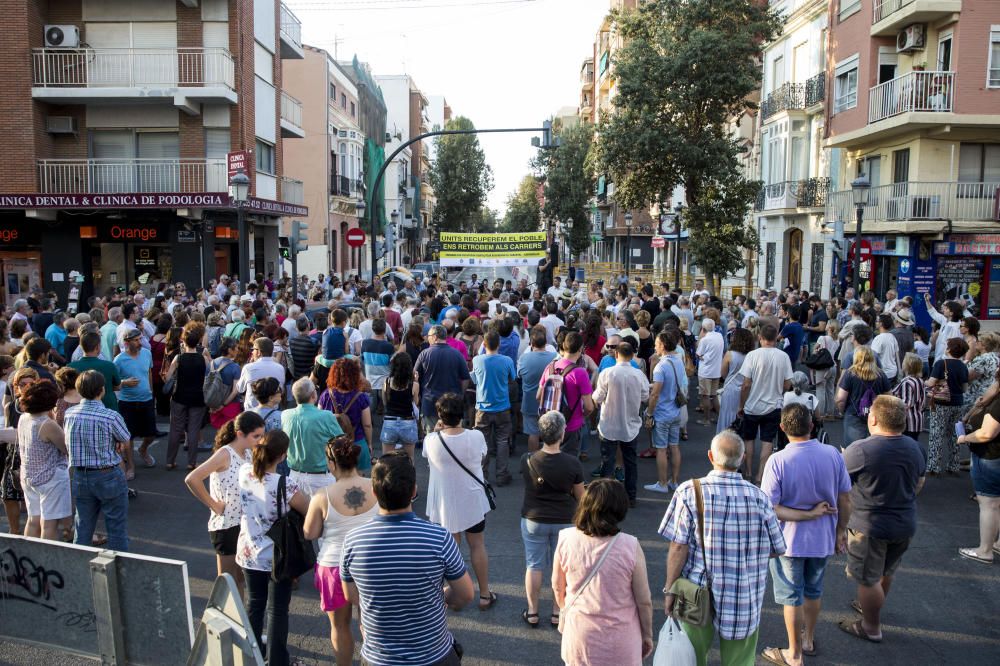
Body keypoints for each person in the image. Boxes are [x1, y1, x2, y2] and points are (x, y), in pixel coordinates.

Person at [660, 431, 786, 666]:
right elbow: (778, 548)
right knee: (739, 660)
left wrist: (670, 589)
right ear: (742, 457)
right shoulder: (759, 498)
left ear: (710, 456)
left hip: (696, 592)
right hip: (744, 594)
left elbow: (678, 547)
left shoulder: (689, 492)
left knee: (692, 657)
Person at [340, 452, 475, 666]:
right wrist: (441, 597)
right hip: (433, 655)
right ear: (414, 491)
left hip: (378, 657)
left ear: (374, 492)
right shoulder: (439, 538)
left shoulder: (353, 541)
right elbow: (466, 594)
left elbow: (351, 595)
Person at [759, 404, 851, 666]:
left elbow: (770, 507)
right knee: (813, 591)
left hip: (788, 541)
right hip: (823, 537)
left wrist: (806, 514)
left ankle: (794, 653)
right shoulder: (833, 454)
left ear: (782, 428)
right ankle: (808, 639)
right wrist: (841, 530)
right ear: (812, 426)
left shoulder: (777, 461)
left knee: (791, 596)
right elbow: (845, 497)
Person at [839, 395, 926, 643]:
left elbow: (839, 485)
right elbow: (919, 482)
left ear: (873, 418)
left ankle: (870, 626)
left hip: (870, 525)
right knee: (886, 571)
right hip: (904, 523)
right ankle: (870, 607)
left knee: (868, 578)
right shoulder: (915, 448)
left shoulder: (861, 449)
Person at [552, 478, 653, 665]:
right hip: (621, 638)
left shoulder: (565, 538)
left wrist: (568, 609)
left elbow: (558, 588)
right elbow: (644, 601)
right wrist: (647, 634)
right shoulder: (630, 545)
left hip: (579, 635)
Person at [303, 435, 379, 666]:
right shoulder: (375, 487)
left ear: (331, 463)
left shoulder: (322, 496)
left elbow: (310, 533)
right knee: (371, 625)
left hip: (334, 564)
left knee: (339, 626)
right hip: (370, 564)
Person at [236, 430, 309, 665]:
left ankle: (253, 656)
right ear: (283, 456)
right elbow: (308, 509)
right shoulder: (285, 484)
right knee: (277, 610)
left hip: (248, 551)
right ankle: (278, 660)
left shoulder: (244, 472)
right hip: (278, 555)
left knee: (254, 604)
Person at [422, 393, 496, 610]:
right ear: (463, 413)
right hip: (472, 500)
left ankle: (451, 593)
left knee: (448, 551)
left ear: (440, 415)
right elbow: (481, 457)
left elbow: (427, 456)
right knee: (478, 544)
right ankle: (484, 594)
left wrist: (436, 431)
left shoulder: (431, 440)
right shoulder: (476, 437)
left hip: (445, 504)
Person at [184, 411, 266, 599]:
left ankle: (239, 622)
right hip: (226, 526)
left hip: (243, 524)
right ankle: (227, 621)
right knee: (226, 581)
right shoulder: (224, 454)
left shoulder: (248, 452)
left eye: (261, 435)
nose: (260, 440)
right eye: (256, 436)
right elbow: (192, 478)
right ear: (240, 434)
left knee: (239, 579)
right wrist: (214, 505)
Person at [519, 410, 585, 627]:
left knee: (534, 564)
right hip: (565, 521)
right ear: (562, 434)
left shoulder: (527, 459)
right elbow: (581, 497)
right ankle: (558, 611)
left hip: (533, 518)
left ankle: (532, 611)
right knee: (563, 568)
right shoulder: (572, 463)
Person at [64, 370, 132, 551]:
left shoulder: (69, 414)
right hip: (107, 473)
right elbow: (125, 439)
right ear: (101, 390)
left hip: (80, 474)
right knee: (116, 526)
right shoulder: (110, 416)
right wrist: (116, 443)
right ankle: (118, 570)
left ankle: (79, 568)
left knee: (83, 525)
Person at [594, 342, 649, 506]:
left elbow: (597, 397)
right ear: (632, 355)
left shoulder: (607, 373)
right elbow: (645, 397)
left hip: (608, 423)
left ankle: (604, 498)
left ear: (616, 354)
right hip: (630, 424)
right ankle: (631, 497)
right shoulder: (639, 375)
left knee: (607, 461)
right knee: (630, 462)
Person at [738, 324, 793, 484]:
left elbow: (746, 384)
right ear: (776, 338)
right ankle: (760, 475)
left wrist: (741, 405)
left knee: (749, 439)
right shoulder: (783, 357)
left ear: (760, 338)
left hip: (752, 405)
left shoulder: (752, 356)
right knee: (767, 442)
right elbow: (788, 384)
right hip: (774, 405)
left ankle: (748, 472)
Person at [17, 380, 70, 541]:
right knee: (49, 524)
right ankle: (47, 561)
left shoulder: (24, 418)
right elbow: (66, 448)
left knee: (33, 520)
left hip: (28, 475)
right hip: (50, 478)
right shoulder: (48, 425)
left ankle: (29, 559)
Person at [282, 377, 344, 499]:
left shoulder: (285, 415)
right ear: (313, 395)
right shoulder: (326, 416)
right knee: (325, 516)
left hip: (294, 476)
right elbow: (341, 441)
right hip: (320, 478)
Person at [537, 331, 595, 458]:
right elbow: (589, 406)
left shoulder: (550, 367)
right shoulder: (580, 372)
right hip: (571, 424)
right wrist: (581, 415)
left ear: (563, 345)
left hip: (550, 422)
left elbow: (538, 396)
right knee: (569, 461)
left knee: (550, 459)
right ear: (581, 349)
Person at [471, 331, 517, 486]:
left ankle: (482, 475)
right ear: (499, 344)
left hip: (483, 408)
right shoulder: (507, 360)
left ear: (484, 344)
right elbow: (513, 378)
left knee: (482, 442)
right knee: (502, 440)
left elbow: (475, 380)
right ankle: (501, 475)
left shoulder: (477, 360)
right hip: (502, 406)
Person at [163, 322, 210, 471]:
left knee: (175, 429)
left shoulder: (178, 358)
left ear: (183, 341)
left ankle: (170, 461)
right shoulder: (203, 357)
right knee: (194, 429)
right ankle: (192, 462)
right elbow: (210, 374)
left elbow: (168, 377)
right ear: (198, 341)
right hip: (198, 396)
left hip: (179, 396)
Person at [644, 331, 685, 494]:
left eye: (656, 344)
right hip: (675, 410)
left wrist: (649, 413)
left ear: (662, 345)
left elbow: (655, 394)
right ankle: (674, 481)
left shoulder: (661, 366)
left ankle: (662, 484)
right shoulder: (678, 361)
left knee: (661, 448)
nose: (655, 346)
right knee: (674, 446)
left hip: (662, 412)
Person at [924, 336, 970, 475]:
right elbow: (965, 388)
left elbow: (931, 383)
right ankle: (953, 465)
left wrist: (924, 382)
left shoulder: (940, 363)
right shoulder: (963, 366)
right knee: (954, 435)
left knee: (936, 434)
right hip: (957, 403)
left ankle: (934, 466)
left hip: (940, 403)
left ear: (949, 349)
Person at [319, 358, 373, 473]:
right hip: (356, 442)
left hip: (333, 445)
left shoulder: (325, 395)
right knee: (358, 482)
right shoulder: (361, 397)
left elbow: (320, 421)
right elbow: (367, 424)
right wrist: (369, 443)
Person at [414, 325, 471, 434]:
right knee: (453, 438)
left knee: (432, 439)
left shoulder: (424, 354)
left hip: (430, 404)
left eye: (429, 336)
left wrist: (418, 396)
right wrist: (460, 394)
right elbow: (465, 378)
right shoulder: (457, 354)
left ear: (435, 337)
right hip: (452, 405)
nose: (427, 338)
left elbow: (415, 376)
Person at [836, 347, 891, 447]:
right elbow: (888, 397)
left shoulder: (850, 373)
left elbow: (840, 399)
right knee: (874, 449)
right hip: (876, 416)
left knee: (852, 449)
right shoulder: (881, 374)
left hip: (854, 415)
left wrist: (842, 411)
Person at [518, 327, 558, 452]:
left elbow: (518, 375)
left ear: (531, 343)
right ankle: (549, 460)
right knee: (550, 433)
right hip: (550, 401)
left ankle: (533, 461)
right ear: (546, 343)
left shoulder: (524, 358)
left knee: (533, 433)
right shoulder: (555, 357)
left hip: (530, 401)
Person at [717, 327, 755, 434]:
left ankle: (724, 443)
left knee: (726, 416)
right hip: (747, 390)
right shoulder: (751, 356)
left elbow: (723, 373)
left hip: (730, 389)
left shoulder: (730, 354)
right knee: (742, 418)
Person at [236, 337, 286, 411]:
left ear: (259, 352)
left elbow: (240, 389)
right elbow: (281, 388)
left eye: (253, 349)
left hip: (252, 411)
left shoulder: (248, 368)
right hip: (273, 410)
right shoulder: (280, 368)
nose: (252, 352)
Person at [891, 353, 927, 441]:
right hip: (917, 420)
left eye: (904, 361)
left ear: (908, 366)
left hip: (908, 422)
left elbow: (906, 404)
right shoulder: (920, 380)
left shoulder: (907, 382)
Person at [695, 318, 724, 425]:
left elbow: (698, 354)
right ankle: (721, 419)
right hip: (716, 370)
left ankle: (706, 419)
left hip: (706, 371)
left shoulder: (704, 340)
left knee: (705, 396)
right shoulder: (719, 336)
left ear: (703, 328)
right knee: (714, 395)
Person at [870, 314, 900, 383]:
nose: (875, 322)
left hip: (882, 374)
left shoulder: (878, 338)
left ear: (881, 324)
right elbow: (897, 356)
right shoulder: (892, 337)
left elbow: (872, 357)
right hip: (893, 372)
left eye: (877, 321)